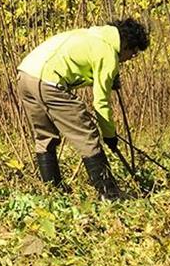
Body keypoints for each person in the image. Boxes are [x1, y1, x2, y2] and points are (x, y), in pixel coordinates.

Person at [16, 17, 149, 200]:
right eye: (134, 52)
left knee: (45, 137)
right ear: (125, 44)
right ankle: (110, 195)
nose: (131, 58)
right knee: (87, 136)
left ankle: (53, 194)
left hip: (25, 75)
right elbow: (101, 102)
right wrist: (109, 135)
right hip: (48, 81)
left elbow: (76, 64)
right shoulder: (108, 53)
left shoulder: (92, 35)